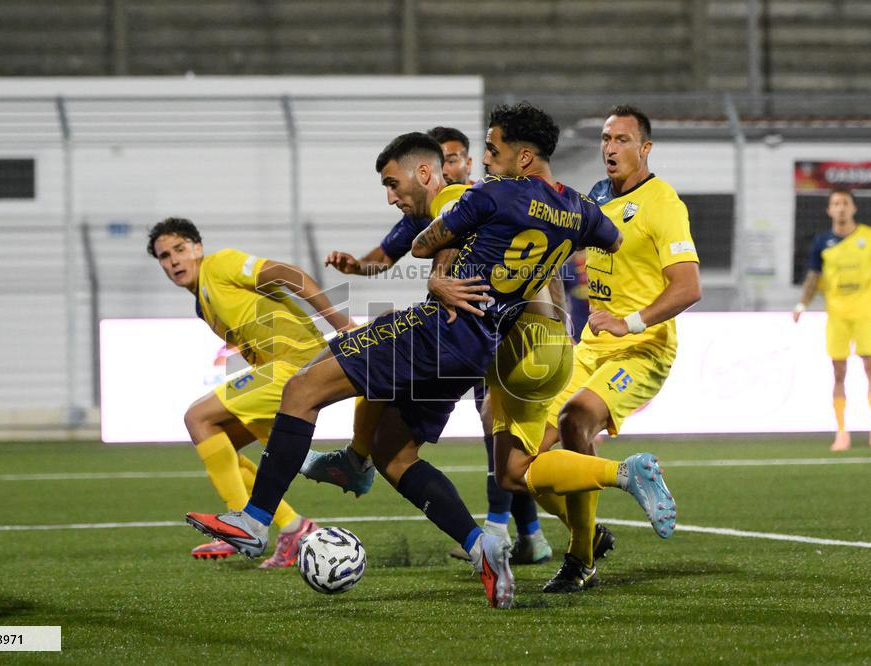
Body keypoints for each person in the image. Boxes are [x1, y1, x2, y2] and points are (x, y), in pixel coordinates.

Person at [186, 105, 674, 609]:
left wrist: (441, 271)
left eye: (491, 150)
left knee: (302, 389)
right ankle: (481, 543)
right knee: (400, 455)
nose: (481, 160)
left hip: (441, 331)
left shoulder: (478, 192)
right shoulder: (577, 206)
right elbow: (613, 239)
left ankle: (257, 520)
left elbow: (434, 235)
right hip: (495, 345)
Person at [316, 125, 552, 565]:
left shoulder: (484, 198)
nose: (457, 164)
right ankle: (527, 534)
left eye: (461, 155)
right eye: (449, 157)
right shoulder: (421, 215)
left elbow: (464, 245)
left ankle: (517, 531)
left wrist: (439, 275)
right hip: (459, 333)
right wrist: (356, 265)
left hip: (503, 334)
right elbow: (384, 259)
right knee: (494, 437)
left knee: (499, 435)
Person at [531, 105, 701, 593]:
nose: (610, 147)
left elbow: (688, 287)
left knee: (574, 420)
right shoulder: (598, 197)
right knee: (523, 467)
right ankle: (590, 535)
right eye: (606, 138)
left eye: (623, 139)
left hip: (642, 349)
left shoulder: (663, 203)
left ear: (645, 149)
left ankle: (580, 559)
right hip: (590, 346)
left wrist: (629, 323)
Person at [148, 218, 355, 568]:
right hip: (277, 371)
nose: (173, 261)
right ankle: (293, 526)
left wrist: (342, 324)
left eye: (180, 249)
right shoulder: (203, 304)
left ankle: (242, 522)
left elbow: (289, 274)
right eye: (164, 256)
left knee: (197, 417)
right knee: (220, 441)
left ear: (198, 247)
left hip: (295, 364)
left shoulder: (220, 264)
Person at [793, 188, 871, 450]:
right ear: (829, 210)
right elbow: (814, 277)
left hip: (864, 313)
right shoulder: (822, 242)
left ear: (853, 208)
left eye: (844, 203)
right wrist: (802, 303)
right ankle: (842, 432)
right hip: (836, 316)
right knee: (839, 373)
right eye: (835, 204)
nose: (840, 208)